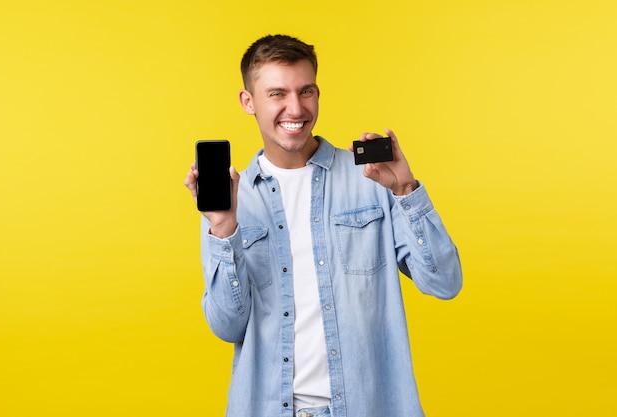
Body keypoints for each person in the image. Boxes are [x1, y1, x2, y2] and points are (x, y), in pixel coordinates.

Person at [183, 34, 462, 417]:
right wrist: (224, 228)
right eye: (277, 94)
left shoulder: (371, 179)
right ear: (248, 102)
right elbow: (228, 327)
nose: (295, 108)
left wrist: (405, 190)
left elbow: (445, 282)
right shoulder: (229, 201)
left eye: (306, 91)